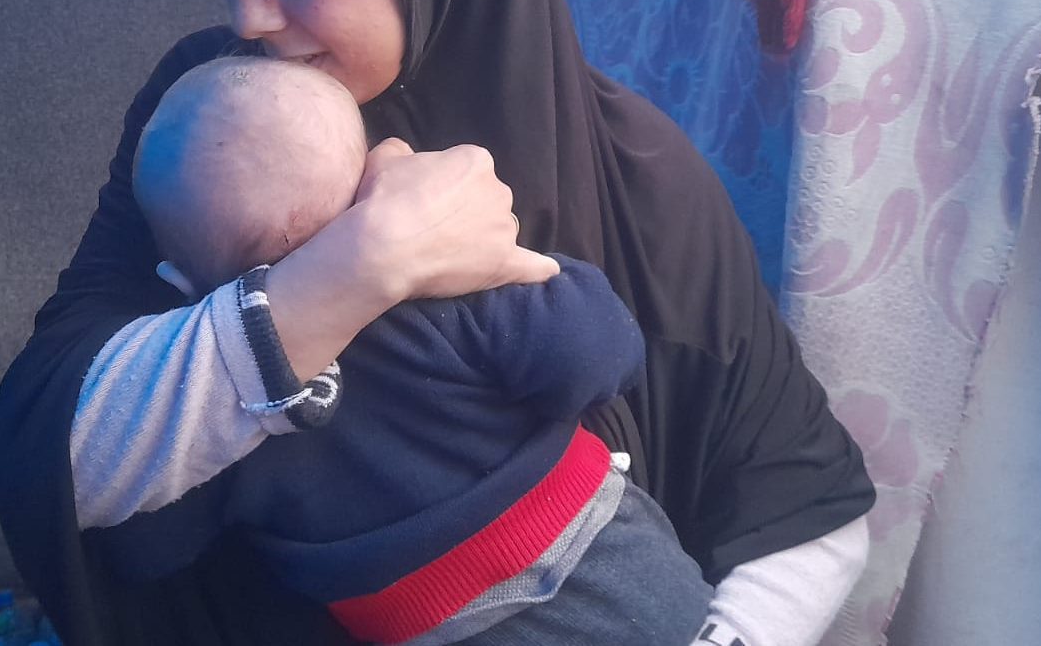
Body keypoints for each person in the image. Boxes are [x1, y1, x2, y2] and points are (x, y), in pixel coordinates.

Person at [0, 0, 876, 644]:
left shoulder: (639, 177)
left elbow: (805, 502)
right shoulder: (211, 120)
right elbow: (61, 465)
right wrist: (356, 271)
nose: (247, 17)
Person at [95, 53, 722, 644]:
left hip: (421, 626)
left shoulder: (220, 413)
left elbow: (144, 546)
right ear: (374, 186)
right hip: (601, 561)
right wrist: (535, 270)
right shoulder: (452, 294)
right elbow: (602, 356)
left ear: (176, 281)